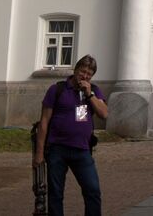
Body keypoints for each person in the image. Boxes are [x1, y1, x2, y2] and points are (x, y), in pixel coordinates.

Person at [33, 53, 107, 216]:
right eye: (82, 71)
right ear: (76, 69)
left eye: (89, 74)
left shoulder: (93, 91)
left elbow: (103, 113)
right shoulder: (57, 89)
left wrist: (90, 94)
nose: (85, 76)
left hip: (82, 150)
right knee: (56, 194)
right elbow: (44, 121)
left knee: (92, 190)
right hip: (57, 149)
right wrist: (39, 154)